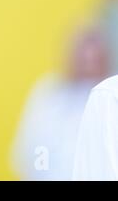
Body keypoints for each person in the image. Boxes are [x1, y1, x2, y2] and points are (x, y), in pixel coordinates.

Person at [12, 25, 110, 180]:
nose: (89, 65)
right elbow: (28, 149)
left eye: (95, 60)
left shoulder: (109, 97)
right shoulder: (49, 92)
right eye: (84, 59)